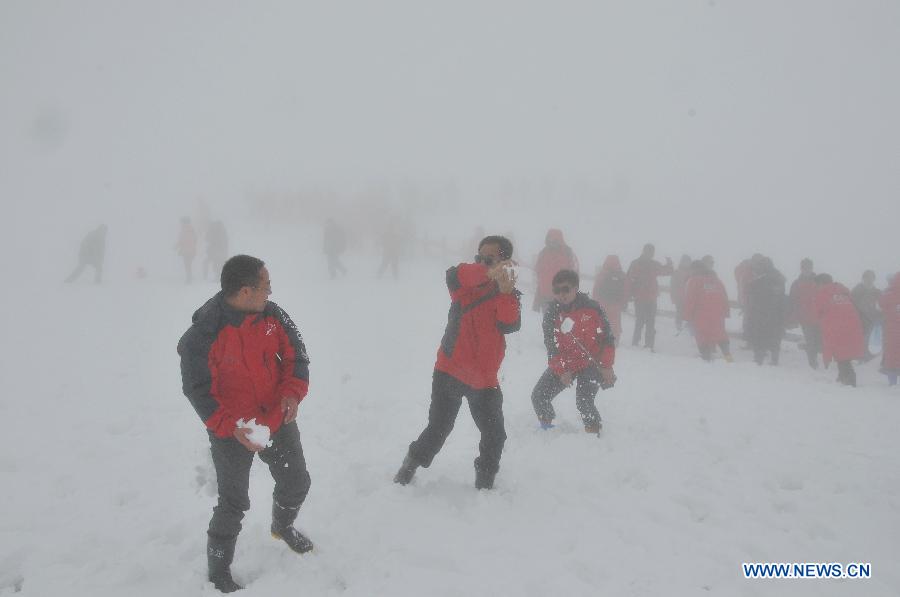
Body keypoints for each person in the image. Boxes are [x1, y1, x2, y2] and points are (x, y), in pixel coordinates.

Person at [178, 255, 313, 593]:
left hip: (275, 418)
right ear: (245, 291)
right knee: (233, 503)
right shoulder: (204, 333)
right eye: (265, 287)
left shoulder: (273, 314)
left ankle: (282, 526)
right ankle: (218, 569)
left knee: (297, 482)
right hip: (232, 431)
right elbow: (198, 389)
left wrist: (292, 394)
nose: (271, 292)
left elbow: (298, 356)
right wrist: (229, 428)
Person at [394, 236, 521, 490]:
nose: (482, 263)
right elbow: (455, 275)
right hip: (449, 371)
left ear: (505, 261)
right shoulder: (462, 281)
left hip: (484, 379)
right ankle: (410, 465)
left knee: (495, 435)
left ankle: (485, 482)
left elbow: (510, 324)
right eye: (480, 258)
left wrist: (505, 292)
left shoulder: (508, 294)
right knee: (438, 430)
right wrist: (490, 270)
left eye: (490, 259)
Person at [532, 270, 616, 434]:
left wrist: (606, 366)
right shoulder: (551, 313)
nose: (561, 294)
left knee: (584, 401)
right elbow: (552, 345)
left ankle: (593, 433)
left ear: (576, 288)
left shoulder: (593, 309)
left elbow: (607, 339)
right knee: (539, 396)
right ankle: (547, 430)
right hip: (567, 361)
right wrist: (562, 370)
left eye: (566, 289)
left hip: (591, 362)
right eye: (557, 291)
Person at [814, 273, 865, 386]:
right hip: (851, 326)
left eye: (817, 285)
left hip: (836, 327)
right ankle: (842, 376)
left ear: (821, 283)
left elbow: (818, 312)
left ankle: (850, 380)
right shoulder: (843, 292)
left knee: (841, 354)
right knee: (844, 352)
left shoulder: (822, 293)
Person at [626, 243, 674, 351]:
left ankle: (641, 343)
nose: (650, 254)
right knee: (645, 321)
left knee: (645, 321)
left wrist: (669, 263)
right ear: (644, 251)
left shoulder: (637, 263)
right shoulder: (650, 264)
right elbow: (667, 271)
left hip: (645, 297)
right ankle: (646, 345)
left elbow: (628, 279)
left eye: (651, 252)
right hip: (646, 297)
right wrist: (669, 263)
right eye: (649, 251)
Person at [683, 260, 733, 361]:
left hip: (701, 314)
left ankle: (706, 359)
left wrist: (687, 316)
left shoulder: (694, 281)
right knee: (720, 334)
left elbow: (690, 299)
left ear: (695, 269)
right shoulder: (716, 280)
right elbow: (724, 296)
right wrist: (726, 312)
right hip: (718, 313)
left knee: (702, 335)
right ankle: (728, 357)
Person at [744, 256, 786, 365]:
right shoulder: (779, 279)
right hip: (776, 313)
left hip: (761, 313)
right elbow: (782, 297)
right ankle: (774, 359)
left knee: (760, 335)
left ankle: (759, 358)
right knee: (775, 337)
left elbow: (751, 291)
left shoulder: (760, 281)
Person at [532, 229, 578, 313]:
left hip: (563, 298)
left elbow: (575, 275)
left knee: (563, 324)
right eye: (550, 239)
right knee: (548, 324)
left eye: (555, 240)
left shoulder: (568, 253)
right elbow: (538, 274)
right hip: (545, 297)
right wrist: (538, 297)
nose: (552, 242)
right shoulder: (543, 253)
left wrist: (573, 295)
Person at [788, 258, 821, 368]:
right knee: (810, 340)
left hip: (819, 317)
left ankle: (814, 356)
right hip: (805, 318)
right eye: (805, 268)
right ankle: (813, 362)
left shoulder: (819, 282)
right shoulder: (796, 284)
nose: (807, 270)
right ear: (801, 269)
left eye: (809, 268)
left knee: (818, 340)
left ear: (812, 268)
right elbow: (792, 300)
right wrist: (793, 317)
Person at [591, 255, 627, 342]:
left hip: (603, 302)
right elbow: (625, 290)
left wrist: (594, 302)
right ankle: (615, 340)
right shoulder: (621, 275)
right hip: (616, 304)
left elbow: (596, 288)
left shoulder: (602, 274)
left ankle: (599, 338)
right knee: (615, 323)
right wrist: (623, 303)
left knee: (601, 321)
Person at [851, 270, 882, 360]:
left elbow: (881, 306)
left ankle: (866, 355)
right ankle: (859, 356)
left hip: (872, 319)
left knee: (868, 339)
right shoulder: (857, 290)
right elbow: (852, 303)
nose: (869, 280)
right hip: (859, 319)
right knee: (860, 338)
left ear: (874, 279)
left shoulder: (877, 292)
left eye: (871, 278)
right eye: (867, 277)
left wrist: (879, 317)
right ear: (863, 278)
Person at [878, 273, 900, 385]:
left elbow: (880, 304)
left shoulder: (889, 294)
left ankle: (893, 383)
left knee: (892, 356)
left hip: (891, 330)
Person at [670, 255, 693, 333]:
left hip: (690, 297)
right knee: (679, 311)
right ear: (682, 261)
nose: (687, 263)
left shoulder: (692, 273)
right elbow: (673, 285)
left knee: (690, 312)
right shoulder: (677, 272)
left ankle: (689, 327)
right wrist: (673, 297)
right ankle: (678, 325)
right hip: (679, 297)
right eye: (685, 261)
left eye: (688, 261)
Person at [175, 217, 198, 284]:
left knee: (187, 264)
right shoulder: (191, 229)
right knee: (188, 264)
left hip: (187, 250)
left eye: (182, 222)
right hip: (190, 250)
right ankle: (189, 276)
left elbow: (182, 240)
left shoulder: (185, 230)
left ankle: (189, 278)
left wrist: (178, 245)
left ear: (185, 223)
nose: (181, 224)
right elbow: (195, 240)